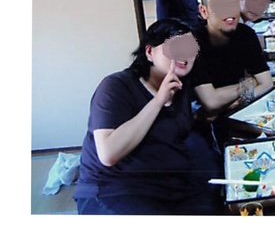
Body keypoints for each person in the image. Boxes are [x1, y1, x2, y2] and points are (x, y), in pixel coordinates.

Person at [74, 19, 220, 215]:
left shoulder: (181, 86)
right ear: (150, 52)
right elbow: (108, 154)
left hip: (166, 186)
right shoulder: (116, 86)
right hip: (114, 189)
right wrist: (158, 101)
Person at [190, 0, 274, 119]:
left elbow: (267, 83)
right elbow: (211, 102)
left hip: (238, 114)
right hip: (199, 122)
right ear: (204, 11)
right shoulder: (193, 42)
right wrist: (249, 84)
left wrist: (237, 103)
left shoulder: (246, 34)